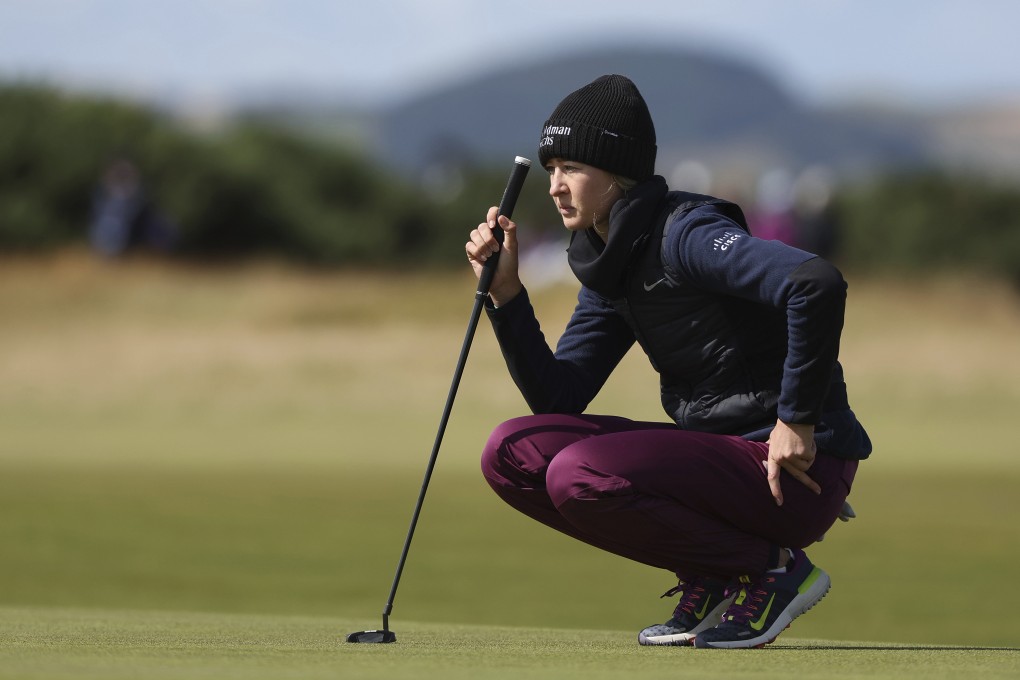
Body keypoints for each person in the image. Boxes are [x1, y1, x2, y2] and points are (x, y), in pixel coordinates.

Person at [464, 75, 871, 649]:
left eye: (572, 168)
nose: (555, 186)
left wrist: (797, 421)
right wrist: (508, 296)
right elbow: (558, 397)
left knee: (580, 473)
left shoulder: (688, 233)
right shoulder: (611, 263)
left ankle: (774, 571)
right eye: (550, 167)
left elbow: (815, 282)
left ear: (618, 172)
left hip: (795, 468)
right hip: (723, 468)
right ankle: (716, 570)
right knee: (512, 452)